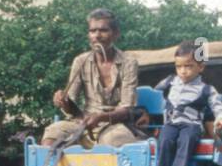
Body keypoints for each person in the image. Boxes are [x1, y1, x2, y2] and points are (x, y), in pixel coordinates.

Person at [42, 9, 148, 149]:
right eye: (93, 31)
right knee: (52, 133)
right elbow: (71, 108)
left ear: (116, 34)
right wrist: (63, 101)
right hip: (83, 122)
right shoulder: (80, 61)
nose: (97, 36)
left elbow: (126, 109)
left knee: (113, 141)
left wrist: (100, 117)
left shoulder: (128, 62)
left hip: (115, 124)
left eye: (103, 30)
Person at [152, 40, 222, 166]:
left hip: (192, 125)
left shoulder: (206, 89)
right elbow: (152, 95)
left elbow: (218, 107)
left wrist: (221, 119)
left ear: (200, 67)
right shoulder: (169, 82)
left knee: (186, 140)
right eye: (179, 66)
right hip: (172, 123)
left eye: (188, 66)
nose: (183, 71)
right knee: (165, 139)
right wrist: (144, 112)